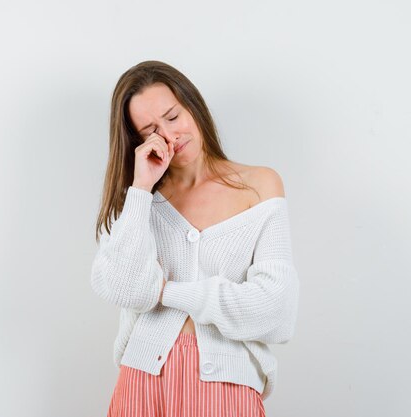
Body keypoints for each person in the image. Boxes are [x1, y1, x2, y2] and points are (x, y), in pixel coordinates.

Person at [90, 60, 299, 417]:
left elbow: (276, 311)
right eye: (151, 130)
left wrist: (166, 292)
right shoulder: (139, 202)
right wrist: (141, 188)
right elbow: (124, 287)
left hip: (228, 389)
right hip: (141, 386)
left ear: (193, 106)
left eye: (173, 117)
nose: (170, 135)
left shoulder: (260, 185)